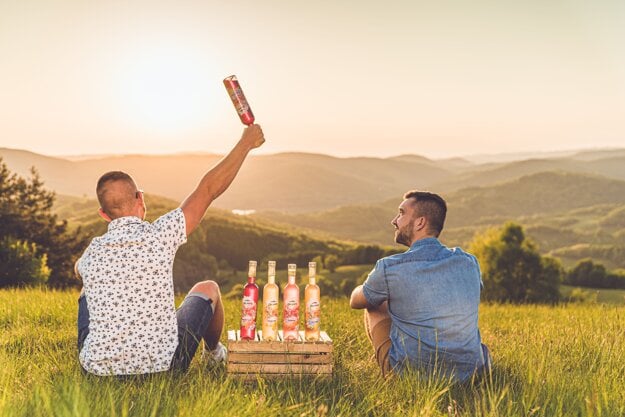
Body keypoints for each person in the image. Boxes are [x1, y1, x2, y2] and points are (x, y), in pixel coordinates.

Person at [75, 124, 265, 376]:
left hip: (97, 371)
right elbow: (208, 189)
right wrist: (245, 144)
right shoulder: (160, 234)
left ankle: (106, 353)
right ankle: (214, 354)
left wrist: (88, 273)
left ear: (103, 214)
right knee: (209, 288)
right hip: (164, 370)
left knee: (87, 287)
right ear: (140, 198)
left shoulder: (92, 253)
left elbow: (79, 270)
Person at [350, 190, 491, 382]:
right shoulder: (470, 262)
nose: (395, 220)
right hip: (472, 374)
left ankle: (389, 374)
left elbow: (356, 301)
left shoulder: (390, 267)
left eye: (401, 213)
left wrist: (368, 287)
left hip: (412, 376)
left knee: (374, 304)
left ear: (420, 222)